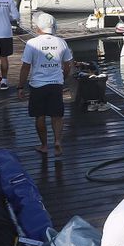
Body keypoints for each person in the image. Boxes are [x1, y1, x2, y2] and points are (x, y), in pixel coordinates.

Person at [18, 13, 74, 156]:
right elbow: (68, 65)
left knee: (40, 116)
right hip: (56, 84)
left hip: (38, 85)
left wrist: (20, 86)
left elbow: (25, 67)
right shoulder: (61, 42)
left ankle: (44, 145)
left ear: (38, 27)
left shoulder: (32, 43)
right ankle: (57, 141)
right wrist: (63, 77)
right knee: (57, 116)